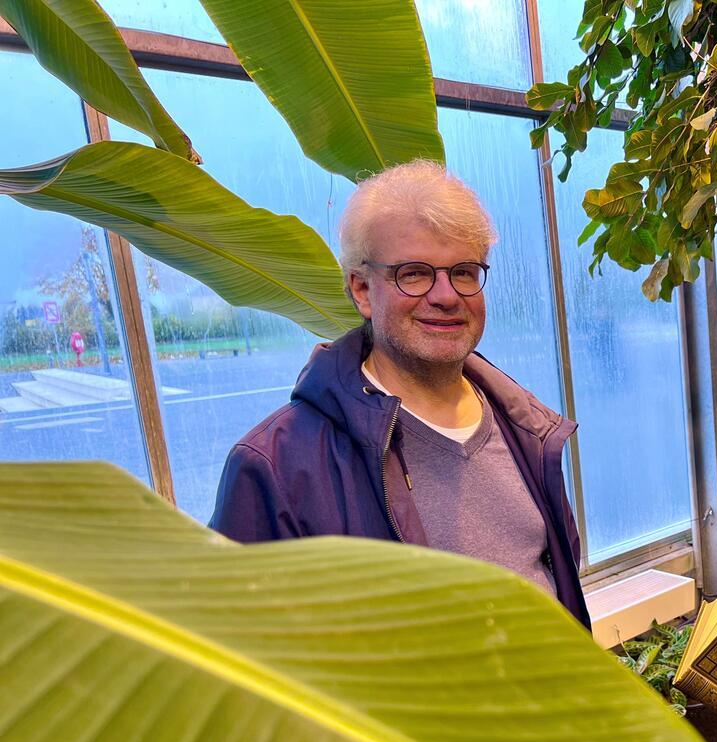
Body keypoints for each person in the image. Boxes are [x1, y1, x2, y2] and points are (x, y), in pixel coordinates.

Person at [211, 160, 589, 627]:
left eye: (465, 271)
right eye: (414, 273)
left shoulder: (525, 427)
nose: (447, 295)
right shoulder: (278, 466)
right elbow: (246, 656)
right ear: (362, 289)